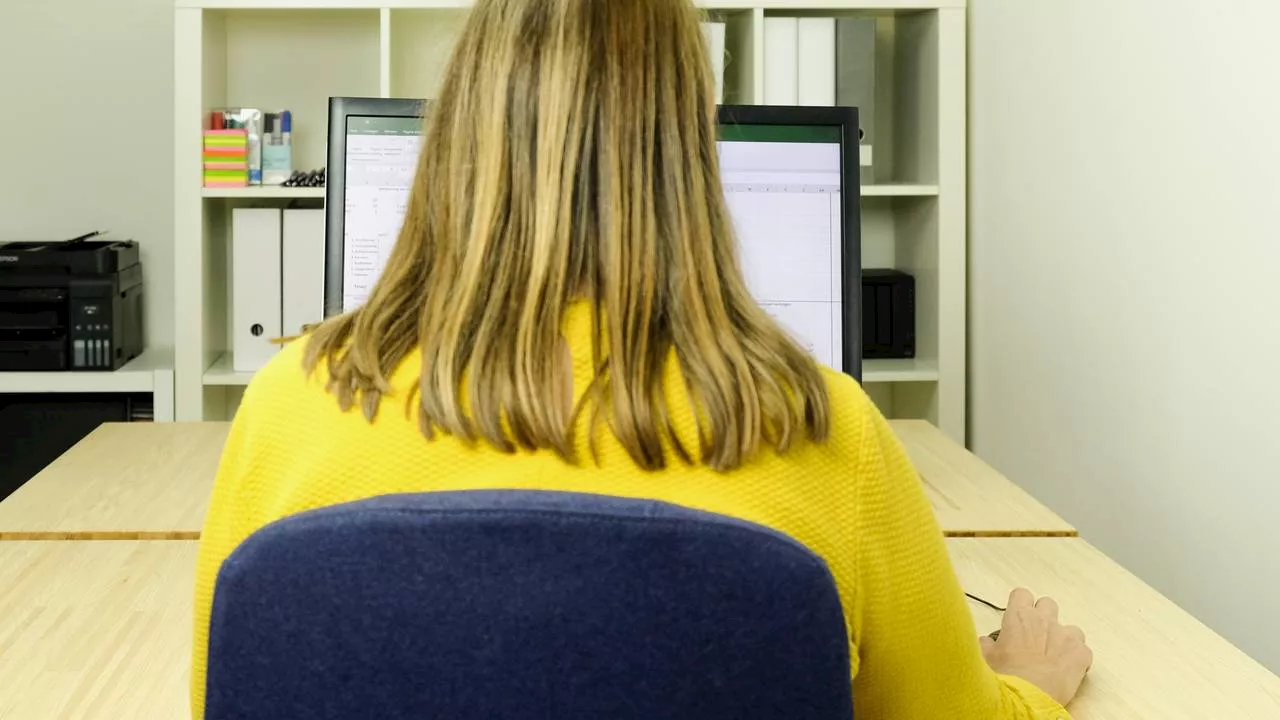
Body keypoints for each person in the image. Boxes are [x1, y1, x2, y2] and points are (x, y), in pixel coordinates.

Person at [190, 0, 1092, 716]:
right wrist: (1031, 689)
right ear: (689, 158)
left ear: (456, 141)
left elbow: (222, 698)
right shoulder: (822, 434)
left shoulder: (289, 406)